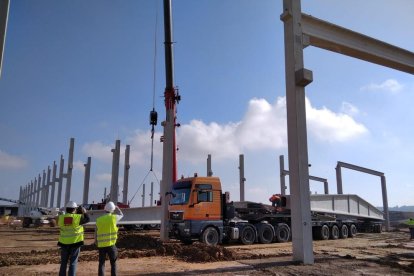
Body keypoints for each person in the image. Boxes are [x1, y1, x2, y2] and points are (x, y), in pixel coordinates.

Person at [58, 200, 90, 276]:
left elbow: (69, 221)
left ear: (66, 209)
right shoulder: (78, 218)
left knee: (63, 262)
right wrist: (84, 212)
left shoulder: (61, 218)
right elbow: (87, 219)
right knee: (73, 262)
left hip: (64, 243)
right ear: (74, 209)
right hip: (75, 243)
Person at [95, 201, 124, 276]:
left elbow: (96, 232)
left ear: (105, 209)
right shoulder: (114, 218)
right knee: (113, 263)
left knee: (101, 263)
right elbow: (122, 215)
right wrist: (117, 208)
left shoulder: (99, 219)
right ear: (112, 210)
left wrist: (96, 241)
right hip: (111, 245)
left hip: (101, 245)